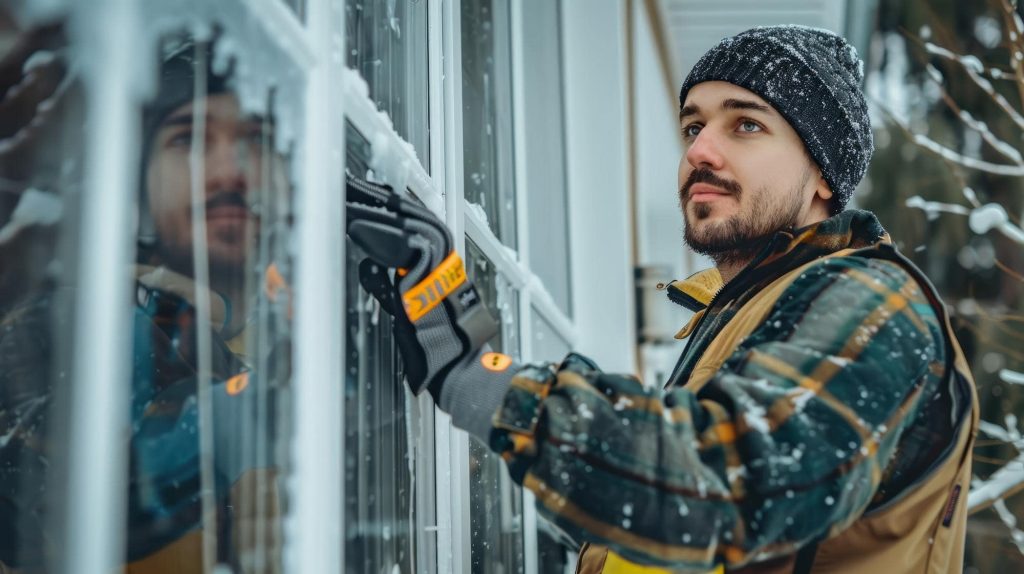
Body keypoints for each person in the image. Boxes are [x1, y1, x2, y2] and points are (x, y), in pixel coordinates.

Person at [346, 25, 977, 573]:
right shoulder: (743, 313)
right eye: (693, 126)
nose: (699, 151)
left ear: (821, 175)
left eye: (746, 123)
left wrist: (471, 374)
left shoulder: (871, 298)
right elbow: (651, 526)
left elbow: (720, 485)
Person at [0, 34, 289, 572]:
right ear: (139, 182)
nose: (230, 172)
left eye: (258, 141)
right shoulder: (71, 331)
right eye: (190, 140)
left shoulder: (327, 346)